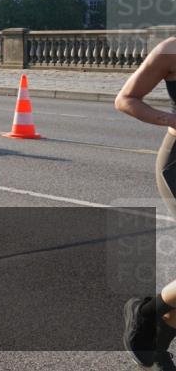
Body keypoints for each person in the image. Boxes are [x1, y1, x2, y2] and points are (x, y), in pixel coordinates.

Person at [117, 36, 176, 369]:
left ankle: (160, 334)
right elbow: (126, 100)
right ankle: (145, 313)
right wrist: (171, 121)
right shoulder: (170, 50)